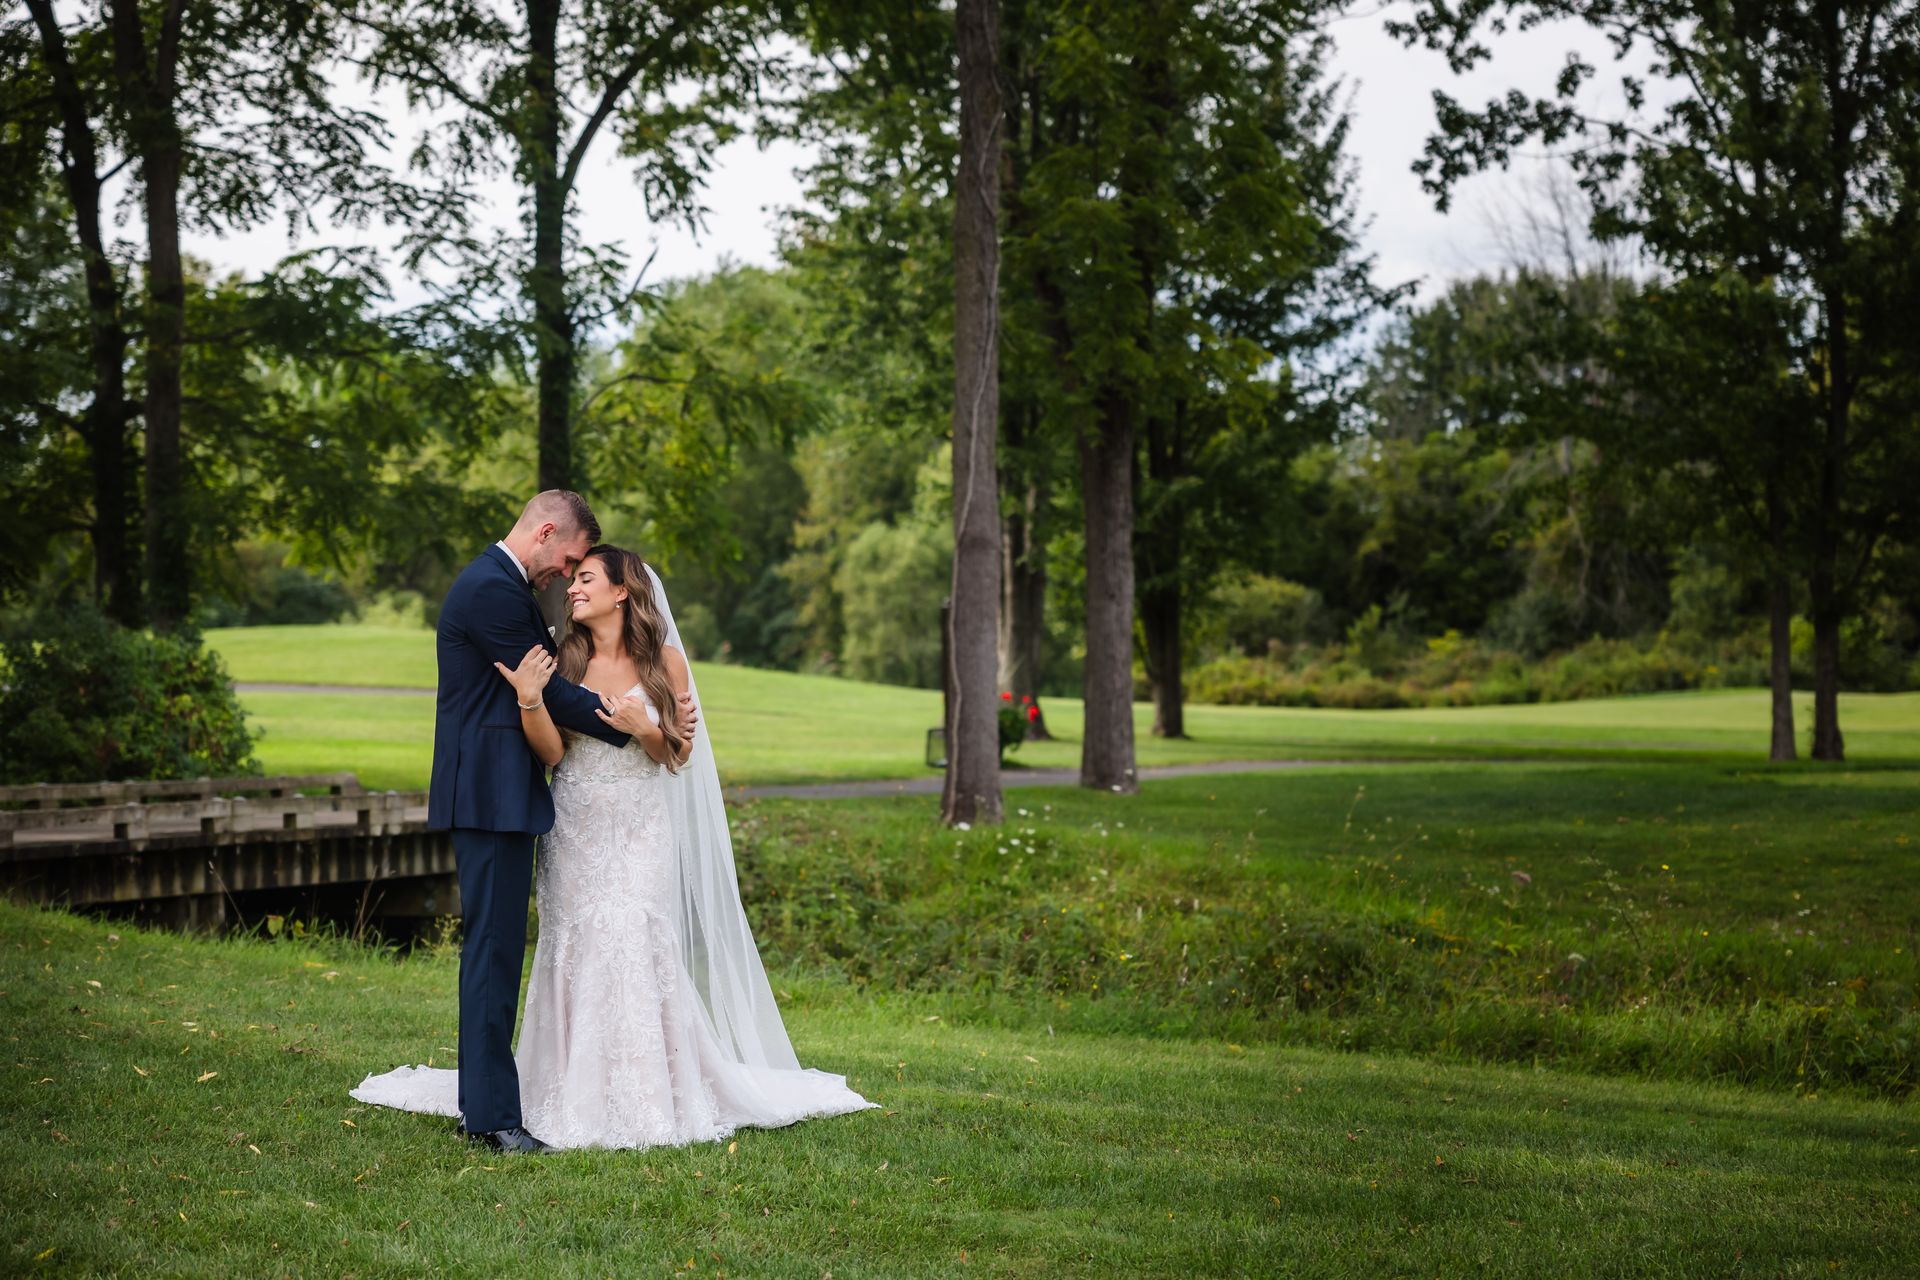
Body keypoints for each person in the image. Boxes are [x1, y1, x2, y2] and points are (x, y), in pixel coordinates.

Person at [352, 538, 875, 1151]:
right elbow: (550, 753)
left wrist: (646, 729)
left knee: (637, 940)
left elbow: (677, 757)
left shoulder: (667, 664)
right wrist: (528, 698)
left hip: (640, 824)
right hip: (576, 822)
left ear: (623, 591)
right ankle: (567, 1086)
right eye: (571, 579)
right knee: (575, 945)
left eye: (586, 579)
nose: (571, 587)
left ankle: (650, 1091)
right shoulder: (562, 659)